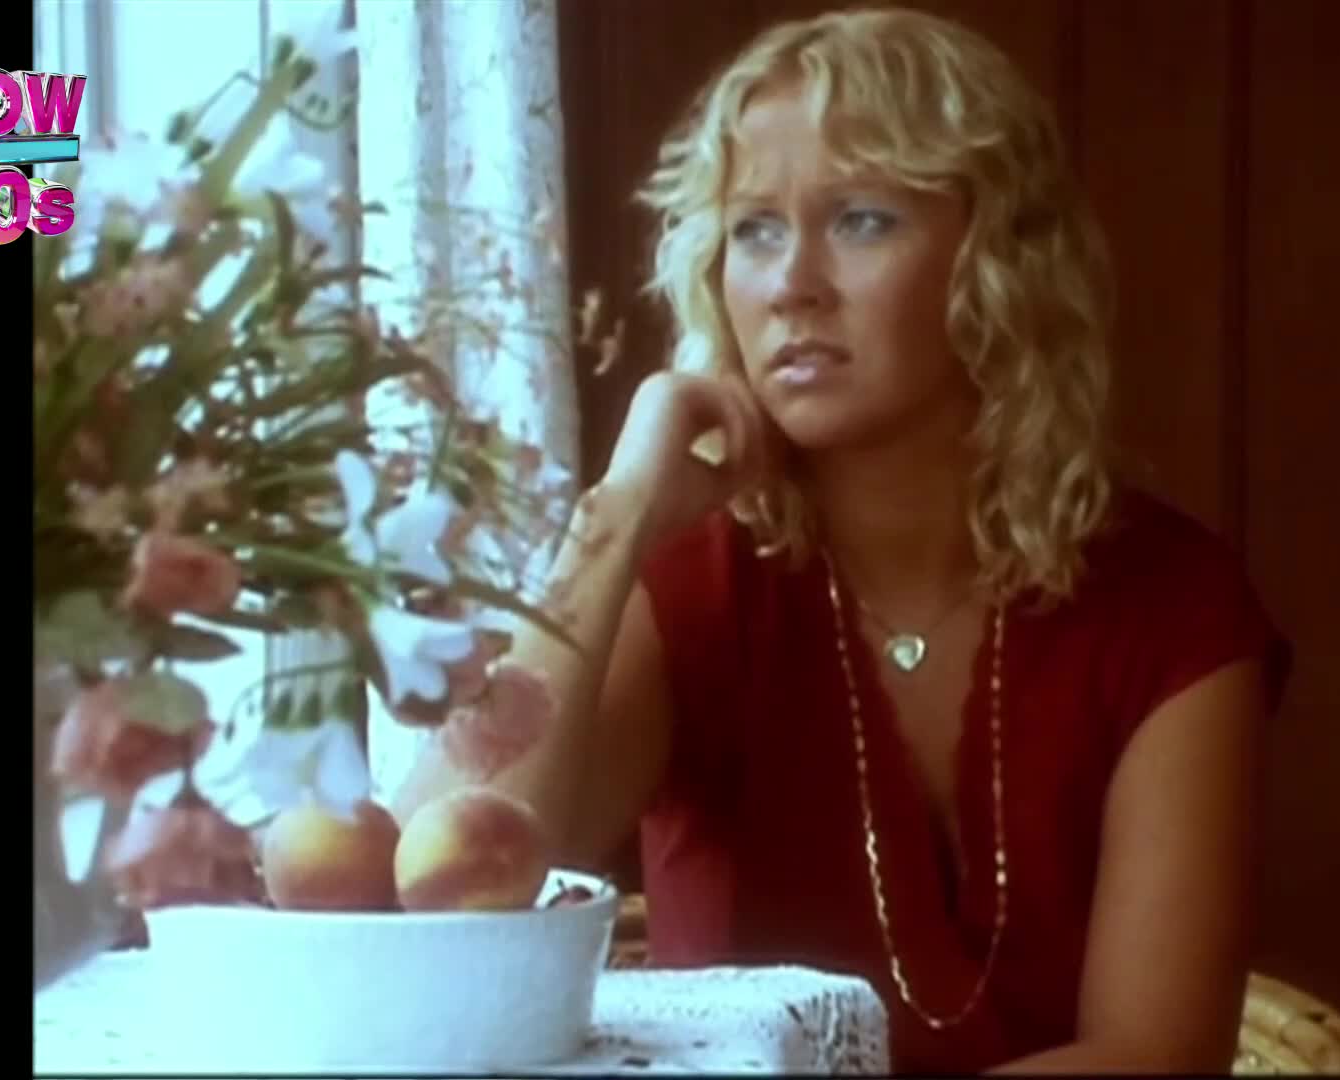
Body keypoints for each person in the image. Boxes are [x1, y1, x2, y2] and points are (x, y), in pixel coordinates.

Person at [397, 5, 1290, 1074]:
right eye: (755, 229)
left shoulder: (1173, 606)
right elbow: (431, 899)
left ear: (997, 261)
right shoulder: (689, 584)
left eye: (862, 219)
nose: (791, 284)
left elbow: (1158, 1055)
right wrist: (619, 511)